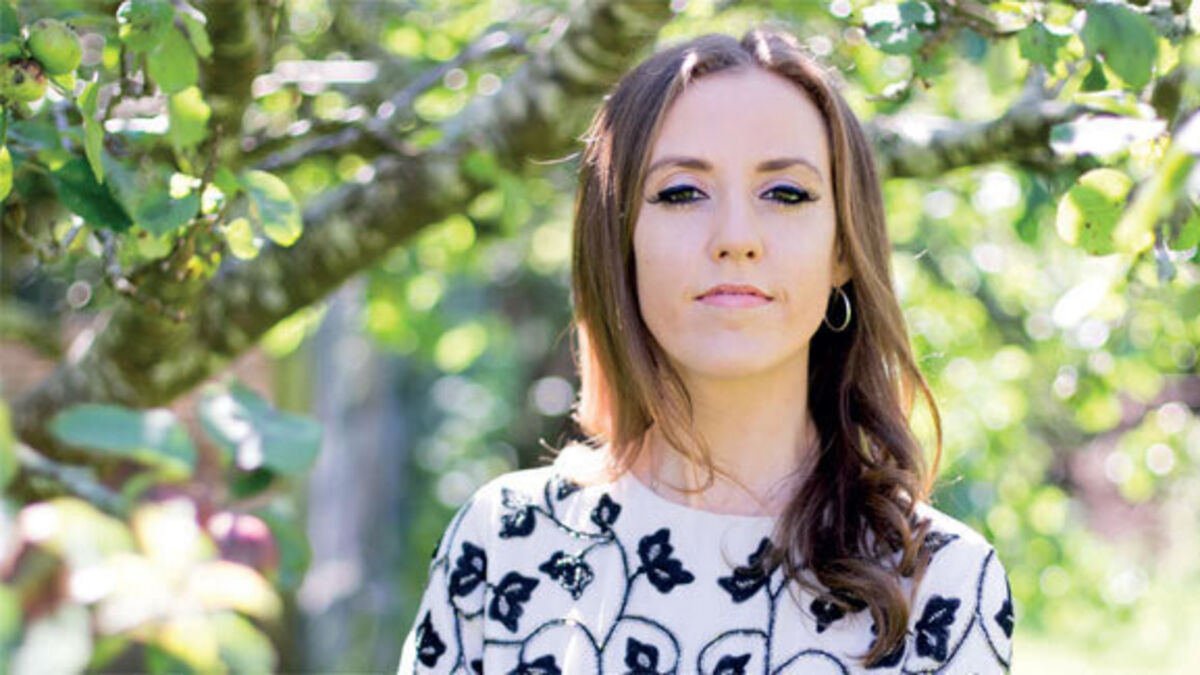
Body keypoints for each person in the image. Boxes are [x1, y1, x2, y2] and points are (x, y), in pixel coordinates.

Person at [398, 26, 1014, 674]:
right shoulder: (502, 542)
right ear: (619, 243)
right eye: (682, 192)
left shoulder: (941, 583)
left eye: (786, 193)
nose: (736, 237)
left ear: (842, 249)